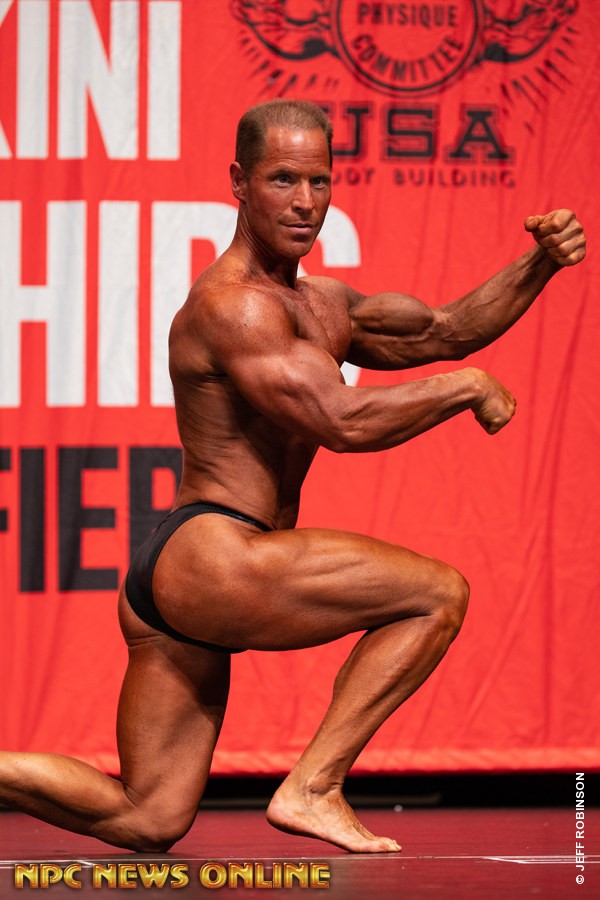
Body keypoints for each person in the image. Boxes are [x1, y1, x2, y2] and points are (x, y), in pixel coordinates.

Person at [0, 100, 586, 855]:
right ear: (239, 182)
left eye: (319, 180)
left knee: (145, 816)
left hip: (180, 574)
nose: (305, 201)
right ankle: (313, 786)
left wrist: (540, 263)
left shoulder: (323, 303)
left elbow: (447, 329)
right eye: (282, 179)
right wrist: (462, 390)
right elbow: (340, 422)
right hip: (219, 551)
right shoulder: (234, 307)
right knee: (437, 593)